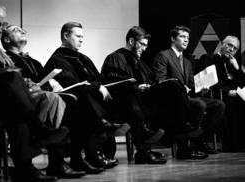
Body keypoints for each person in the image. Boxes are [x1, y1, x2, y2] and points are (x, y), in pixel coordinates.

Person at [0, 4, 69, 182]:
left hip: (5, 101)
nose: (3, 29)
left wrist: (31, 83)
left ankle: (28, 168)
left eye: (4, 24)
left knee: (31, 103)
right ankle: (38, 133)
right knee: (15, 89)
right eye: (0, 24)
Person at [101, 26, 205, 162]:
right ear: (131, 41)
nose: (145, 48)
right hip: (124, 102)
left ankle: (179, 128)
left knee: (173, 84)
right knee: (138, 102)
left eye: (146, 45)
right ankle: (149, 148)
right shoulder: (116, 57)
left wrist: (151, 87)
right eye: (142, 44)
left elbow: (152, 80)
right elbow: (114, 83)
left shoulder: (140, 62)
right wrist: (137, 87)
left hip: (143, 98)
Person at [1, 24, 86, 178]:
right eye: (16, 31)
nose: (22, 31)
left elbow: (44, 79)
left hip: (43, 96)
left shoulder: (33, 61)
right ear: (6, 39)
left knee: (72, 99)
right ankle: (54, 158)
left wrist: (52, 82)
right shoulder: (6, 59)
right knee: (57, 100)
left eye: (22, 30)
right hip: (24, 100)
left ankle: (68, 159)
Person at [44, 22, 124, 171]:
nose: (81, 40)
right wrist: (96, 87)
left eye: (82, 37)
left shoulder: (83, 58)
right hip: (72, 101)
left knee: (116, 93)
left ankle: (101, 150)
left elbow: (97, 78)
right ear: (66, 36)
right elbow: (72, 84)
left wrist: (99, 86)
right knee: (87, 101)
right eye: (78, 36)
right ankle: (96, 151)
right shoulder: (58, 59)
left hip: (89, 99)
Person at [152, 25, 225, 158]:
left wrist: (201, 89)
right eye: (182, 37)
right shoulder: (163, 55)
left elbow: (191, 85)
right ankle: (183, 147)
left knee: (218, 105)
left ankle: (198, 140)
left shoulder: (187, 61)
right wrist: (179, 86)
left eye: (188, 38)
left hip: (188, 97)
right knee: (199, 105)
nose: (186, 40)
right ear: (173, 39)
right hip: (172, 99)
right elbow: (160, 80)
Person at [199, 35, 245, 151]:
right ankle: (232, 145)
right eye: (229, 45)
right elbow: (211, 82)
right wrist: (228, 91)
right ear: (222, 44)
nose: (231, 49)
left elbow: (241, 84)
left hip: (234, 96)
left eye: (235, 48)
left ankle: (240, 144)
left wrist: (237, 69)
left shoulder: (232, 64)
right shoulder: (208, 58)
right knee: (233, 106)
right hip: (216, 95)